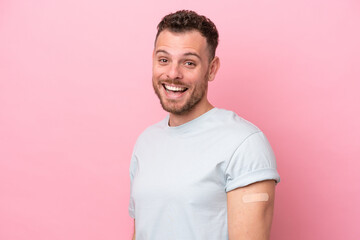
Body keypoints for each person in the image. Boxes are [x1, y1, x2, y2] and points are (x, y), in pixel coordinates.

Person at [128, 10, 280, 240]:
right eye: (164, 60)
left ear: (212, 68)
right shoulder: (146, 142)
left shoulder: (243, 144)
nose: (172, 73)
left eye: (189, 63)